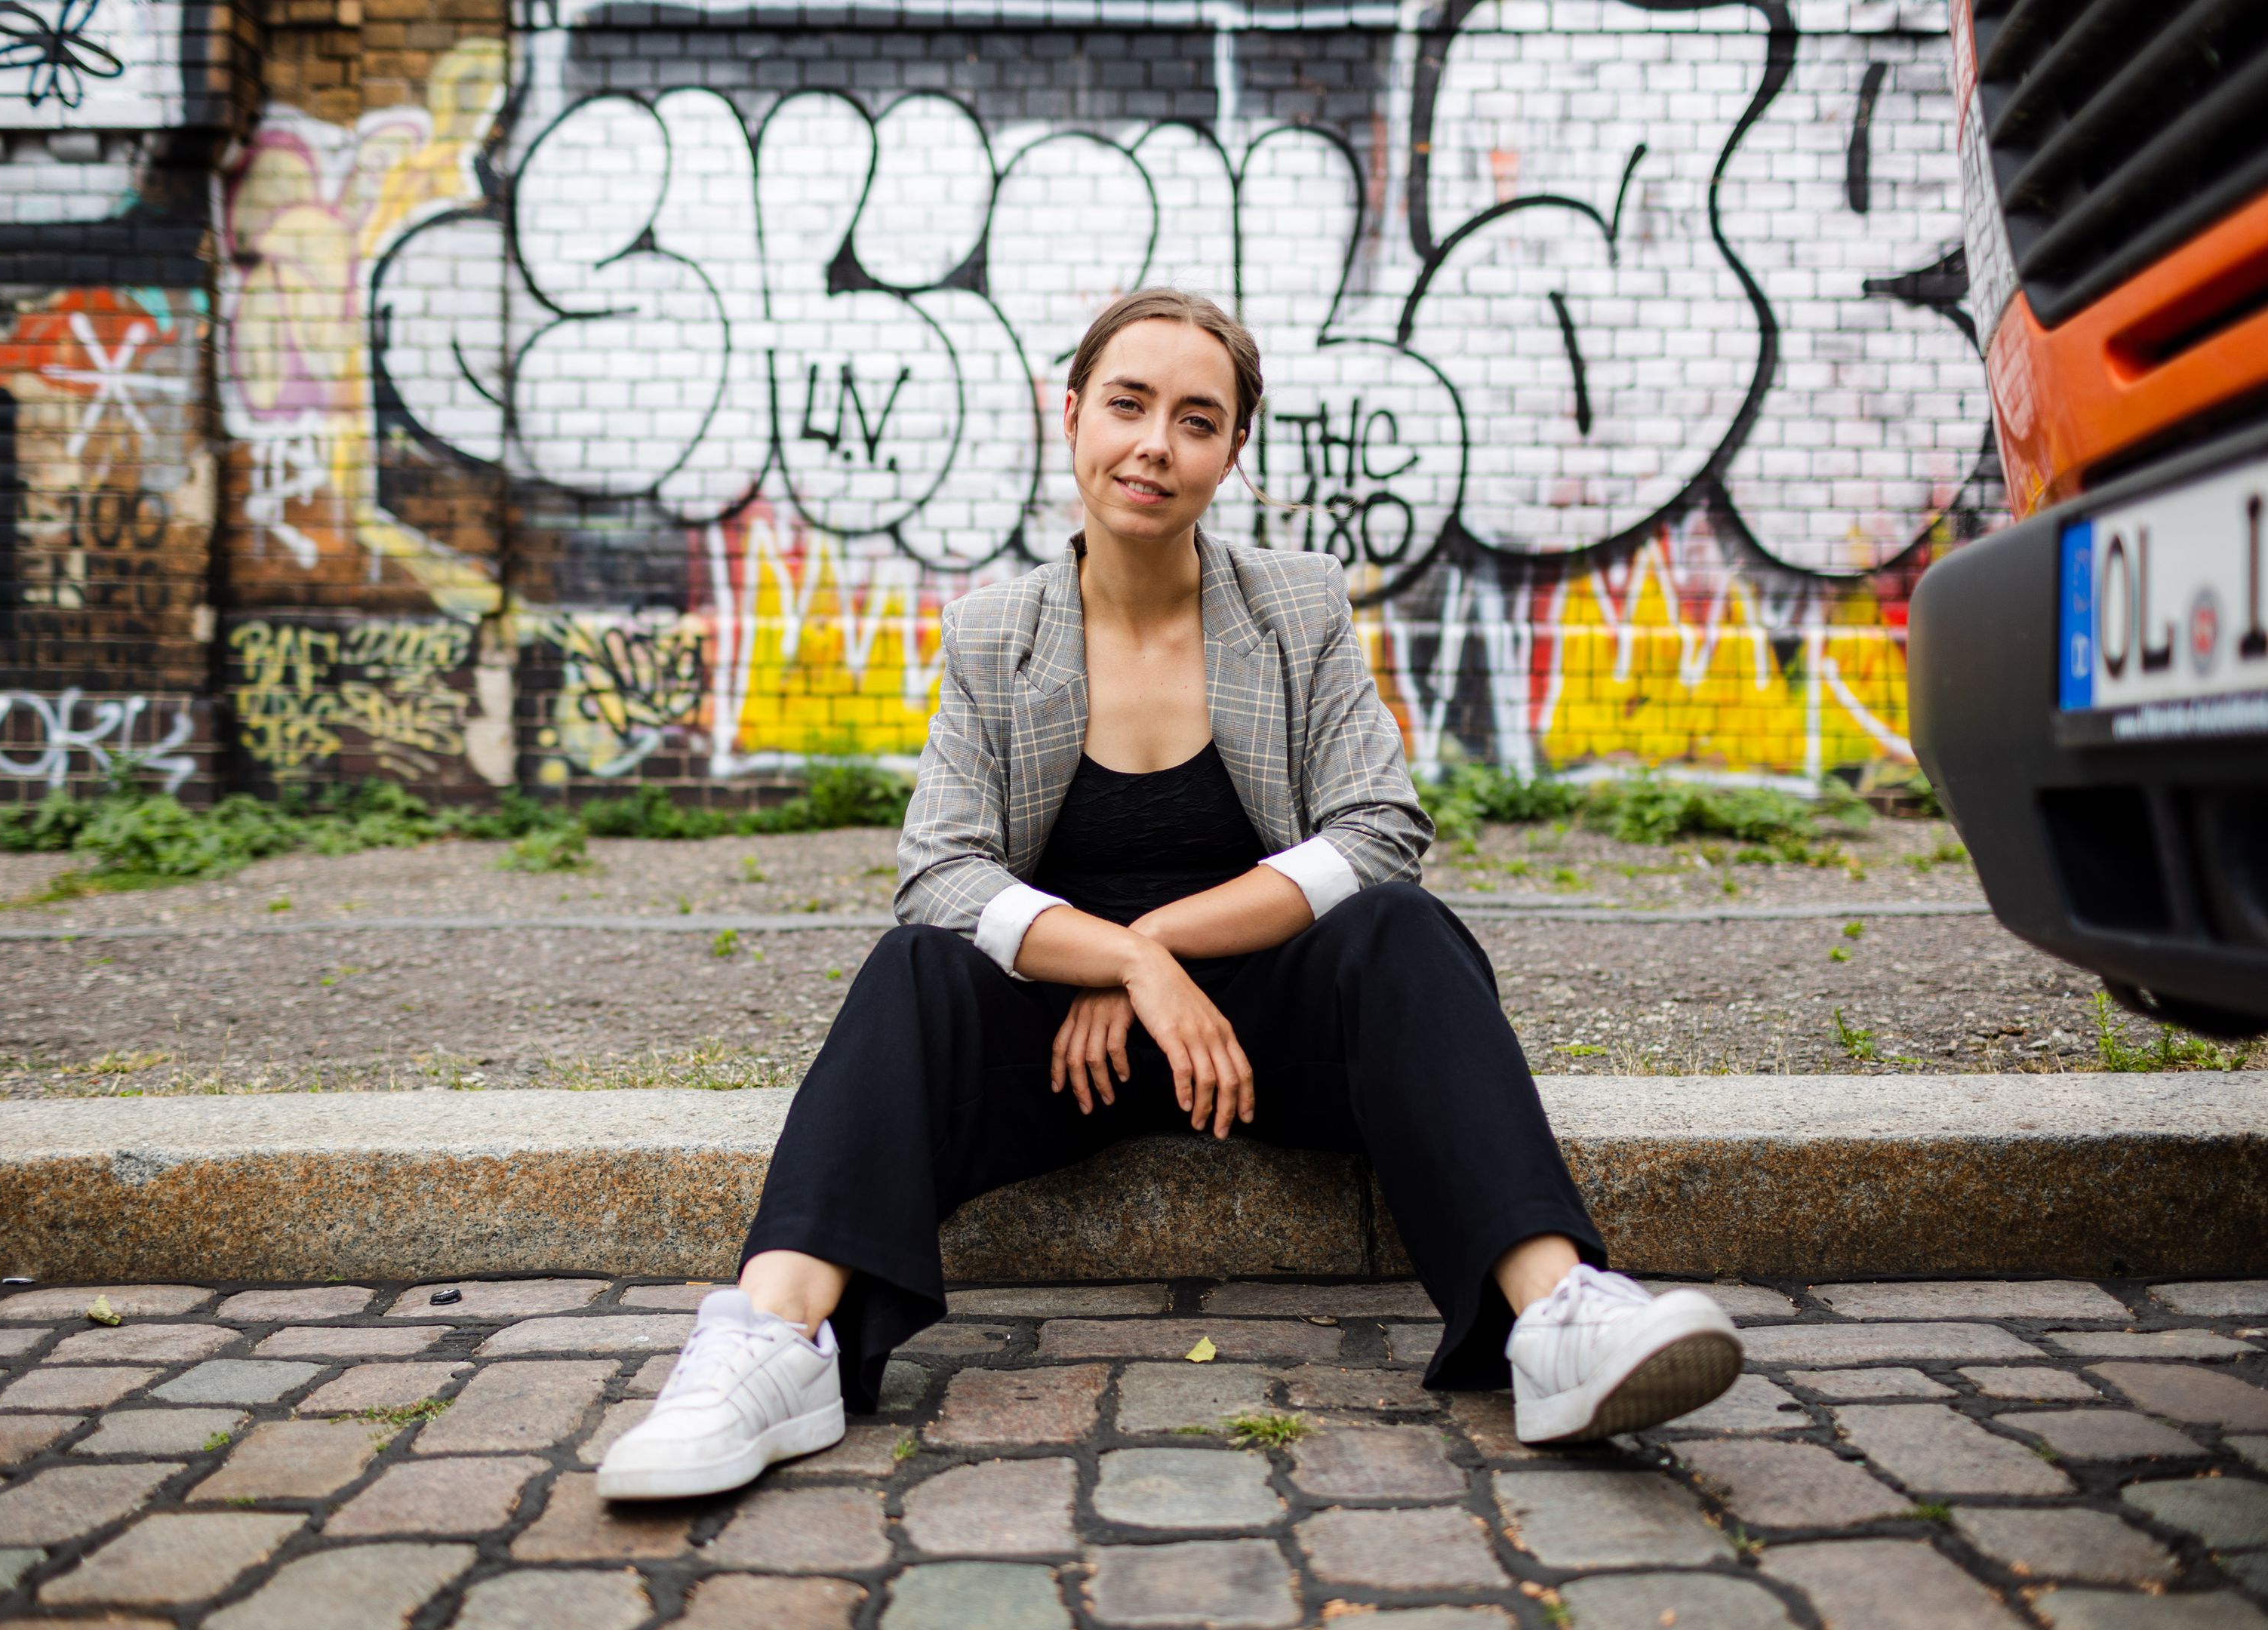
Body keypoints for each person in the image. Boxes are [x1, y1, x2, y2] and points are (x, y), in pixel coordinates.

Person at [597, 288, 1741, 1501]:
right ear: (1072, 414)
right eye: (1129, 405)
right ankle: (772, 1342)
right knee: (911, 970)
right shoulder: (995, 631)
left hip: (1255, 1037)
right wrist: (1117, 966)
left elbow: (1379, 830)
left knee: (1402, 930)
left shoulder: (1295, 606)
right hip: (1058, 1051)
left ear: (1232, 451)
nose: (1155, 444)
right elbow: (938, 871)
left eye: (1197, 421)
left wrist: (1152, 947)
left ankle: (1559, 1318)